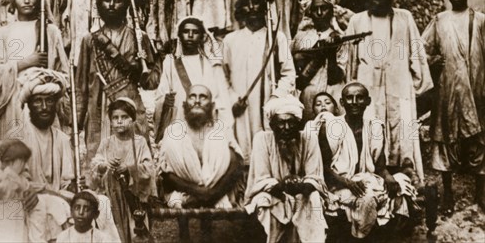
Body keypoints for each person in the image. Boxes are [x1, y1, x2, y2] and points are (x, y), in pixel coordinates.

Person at [344, 0, 433, 180]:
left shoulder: (405, 18)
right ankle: (372, 171)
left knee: (403, 124)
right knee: (371, 123)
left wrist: (415, 84)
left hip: (399, 84)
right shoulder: (357, 21)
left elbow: (416, 53)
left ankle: (407, 171)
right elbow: (349, 61)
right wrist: (352, 87)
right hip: (368, 86)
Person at [76, 0, 160, 177]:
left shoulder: (139, 38)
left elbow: (151, 82)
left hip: (129, 105)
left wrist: (143, 67)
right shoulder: (90, 41)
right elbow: (81, 86)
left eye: (117, 0)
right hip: (99, 105)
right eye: (107, 0)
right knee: (99, 163)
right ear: (99, 5)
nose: (112, 5)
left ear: (125, 5)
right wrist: (78, 121)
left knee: (134, 160)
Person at [316, 83, 422, 240]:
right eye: (349, 98)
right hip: (338, 185)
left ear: (368, 101)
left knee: (402, 186)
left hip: (368, 180)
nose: (354, 102)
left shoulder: (375, 127)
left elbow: (380, 167)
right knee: (368, 198)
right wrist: (347, 182)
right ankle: (359, 236)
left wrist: (389, 178)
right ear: (342, 102)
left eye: (359, 98)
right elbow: (323, 168)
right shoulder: (330, 127)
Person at [422, 0, 485, 212]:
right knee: (444, 141)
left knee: (479, 142)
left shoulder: (480, 20)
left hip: (476, 92)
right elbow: (421, 50)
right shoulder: (439, 20)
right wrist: (432, 60)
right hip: (447, 92)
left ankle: (481, 192)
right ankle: (447, 193)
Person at [0, 0, 69, 139]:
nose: (26, 0)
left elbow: (64, 74)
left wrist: (44, 79)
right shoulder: (4, 32)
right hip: (14, 101)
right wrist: (24, 63)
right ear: (13, 1)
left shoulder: (50, 31)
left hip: (44, 101)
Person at [223, 0, 296, 164]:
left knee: (267, 149)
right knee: (240, 149)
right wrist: (232, 99)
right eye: (247, 7)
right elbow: (222, 77)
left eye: (257, 5)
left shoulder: (276, 38)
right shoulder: (230, 40)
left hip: (267, 105)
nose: (253, 10)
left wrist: (275, 98)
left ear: (264, 9)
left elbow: (289, 74)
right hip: (239, 107)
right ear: (241, 12)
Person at [244, 95, 327, 243]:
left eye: (291, 122)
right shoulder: (262, 139)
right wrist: (284, 184)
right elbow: (262, 180)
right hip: (273, 194)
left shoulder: (309, 139)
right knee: (263, 201)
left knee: (313, 199)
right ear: (272, 125)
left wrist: (301, 185)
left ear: (298, 123)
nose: (287, 128)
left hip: (302, 193)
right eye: (281, 123)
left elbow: (314, 176)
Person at [160, 84, 243, 208]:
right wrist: (198, 192)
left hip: (218, 194)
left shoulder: (222, 130)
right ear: (184, 104)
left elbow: (236, 164)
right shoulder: (173, 132)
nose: (197, 101)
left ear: (212, 105)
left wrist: (211, 195)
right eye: (192, 97)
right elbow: (165, 173)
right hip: (183, 194)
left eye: (203, 97)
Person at [155, 16, 233, 141]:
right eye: (186, 31)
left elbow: (219, 96)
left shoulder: (210, 63)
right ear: (179, 36)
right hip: (179, 116)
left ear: (202, 36)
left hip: (205, 117)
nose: (190, 35)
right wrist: (166, 101)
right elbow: (161, 94)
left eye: (195, 32)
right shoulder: (170, 63)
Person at [91, 97, 156, 243]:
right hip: (112, 196)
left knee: (136, 233)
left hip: (133, 198)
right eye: (115, 118)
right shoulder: (106, 143)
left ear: (132, 119)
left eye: (124, 117)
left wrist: (129, 169)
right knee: (114, 231)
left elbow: (148, 168)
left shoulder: (139, 143)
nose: (119, 121)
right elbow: (96, 164)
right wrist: (105, 164)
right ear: (111, 121)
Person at [0, 139, 72, 243]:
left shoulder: (20, 177)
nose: (25, 166)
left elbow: (28, 188)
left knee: (23, 230)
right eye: (22, 162)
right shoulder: (1, 175)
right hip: (4, 212)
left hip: (18, 211)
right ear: (9, 161)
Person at [292, 0, 346, 121]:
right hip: (307, 101)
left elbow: (336, 78)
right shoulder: (300, 38)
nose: (320, 13)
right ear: (310, 11)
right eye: (315, 9)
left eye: (324, 8)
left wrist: (331, 52)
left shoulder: (340, 38)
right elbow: (296, 78)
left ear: (331, 9)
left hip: (333, 98)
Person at [19, 68, 74, 192]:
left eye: (49, 101)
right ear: (29, 105)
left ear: (55, 105)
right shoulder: (20, 137)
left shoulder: (63, 139)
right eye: (38, 101)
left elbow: (66, 180)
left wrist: (72, 185)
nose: (44, 107)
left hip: (58, 200)